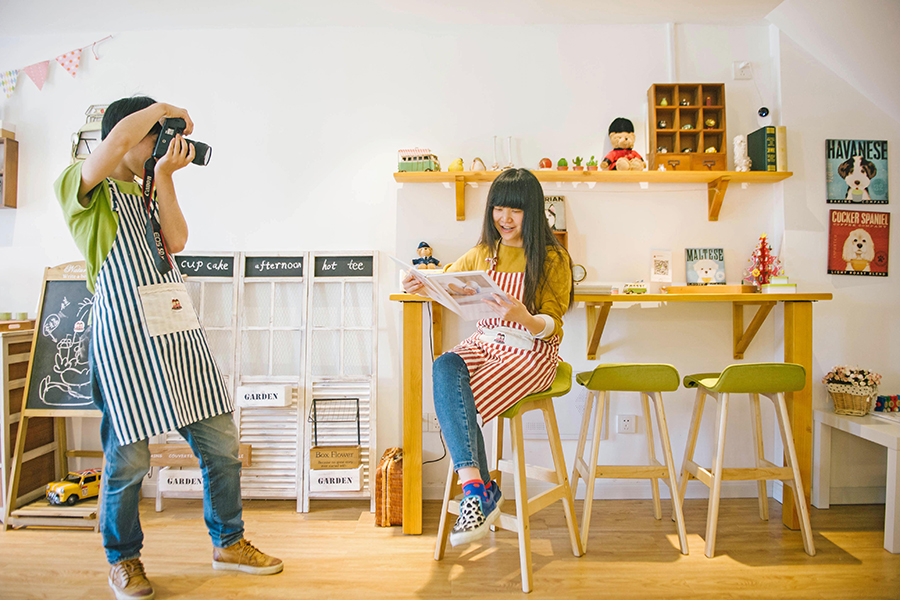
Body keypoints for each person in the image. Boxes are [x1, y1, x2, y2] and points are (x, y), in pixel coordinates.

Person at [54, 96, 282, 600]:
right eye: (151, 134)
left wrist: (167, 176)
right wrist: (161, 107)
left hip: (176, 333)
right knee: (128, 459)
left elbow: (176, 240)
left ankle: (229, 542)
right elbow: (113, 142)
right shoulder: (84, 185)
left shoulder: (146, 190)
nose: (158, 142)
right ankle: (124, 560)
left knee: (221, 447)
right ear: (124, 135)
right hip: (125, 340)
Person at [402, 168, 573, 546]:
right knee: (445, 366)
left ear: (533, 211)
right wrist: (418, 282)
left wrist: (526, 318)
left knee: (456, 398)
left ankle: (478, 497)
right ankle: (478, 490)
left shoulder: (551, 258)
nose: (505, 219)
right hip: (485, 343)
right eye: (498, 209)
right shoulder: (484, 252)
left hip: (530, 351)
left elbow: (554, 324)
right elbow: (445, 280)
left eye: (515, 211)